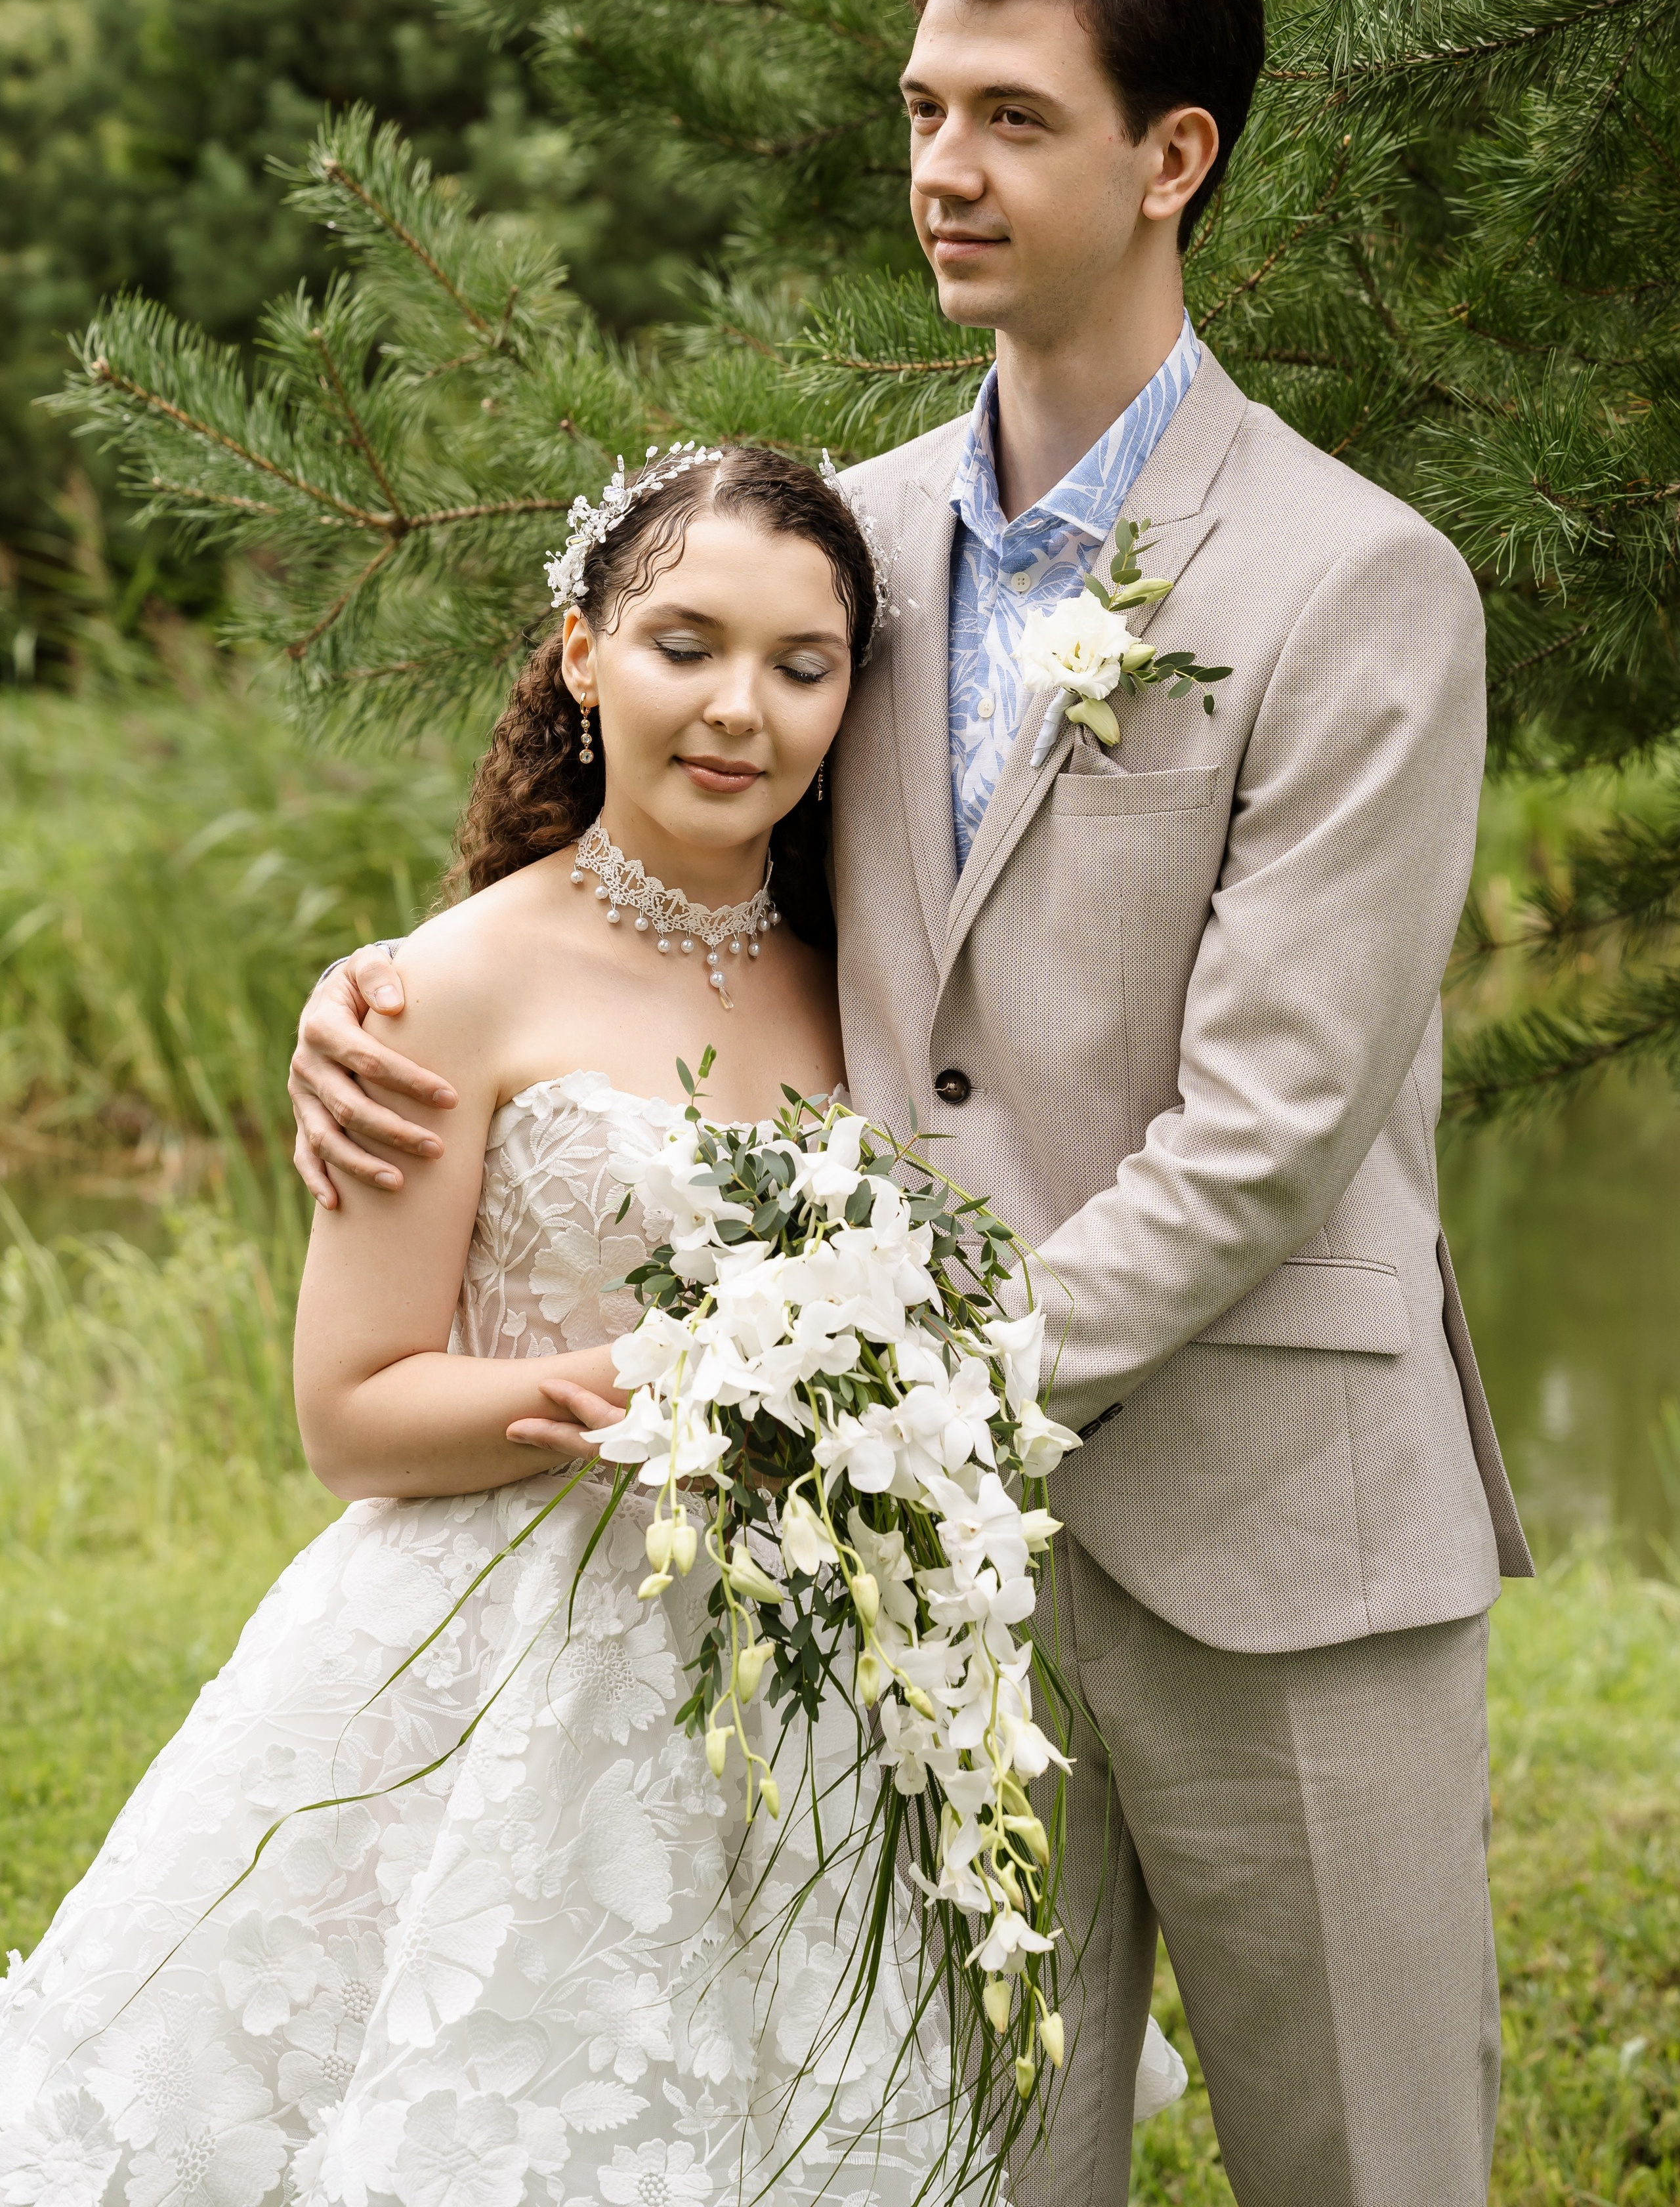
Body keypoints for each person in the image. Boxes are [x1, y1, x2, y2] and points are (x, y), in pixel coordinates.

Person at [289, 0, 1534, 2207]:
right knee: (960, 2164)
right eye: (922, 106)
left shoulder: (1360, 582)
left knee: (1372, 2167)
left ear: (1172, 160)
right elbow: (656, 899)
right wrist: (371, 1015)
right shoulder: (848, 559)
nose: (942, 168)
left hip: (1271, 1529)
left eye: (1013, 118)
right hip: (919, 1597)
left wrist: (885, 1406)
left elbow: (1271, 1130)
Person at [11, 448, 1159, 2207]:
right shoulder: (449, 982)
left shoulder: (866, 969)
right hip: (511, 1663)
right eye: (682, 644)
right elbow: (350, 1411)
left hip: (800, 1662)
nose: (738, 710)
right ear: (578, 655)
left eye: (802, 664)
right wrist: (657, 1388)